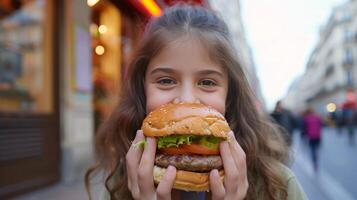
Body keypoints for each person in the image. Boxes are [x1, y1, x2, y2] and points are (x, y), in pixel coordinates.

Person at [85, 5, 307, 200]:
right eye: (165, 80)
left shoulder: (279, 187)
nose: (187, 101)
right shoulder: (119, 187)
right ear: (142, 90)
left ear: (230, 96)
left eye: (208, 82)